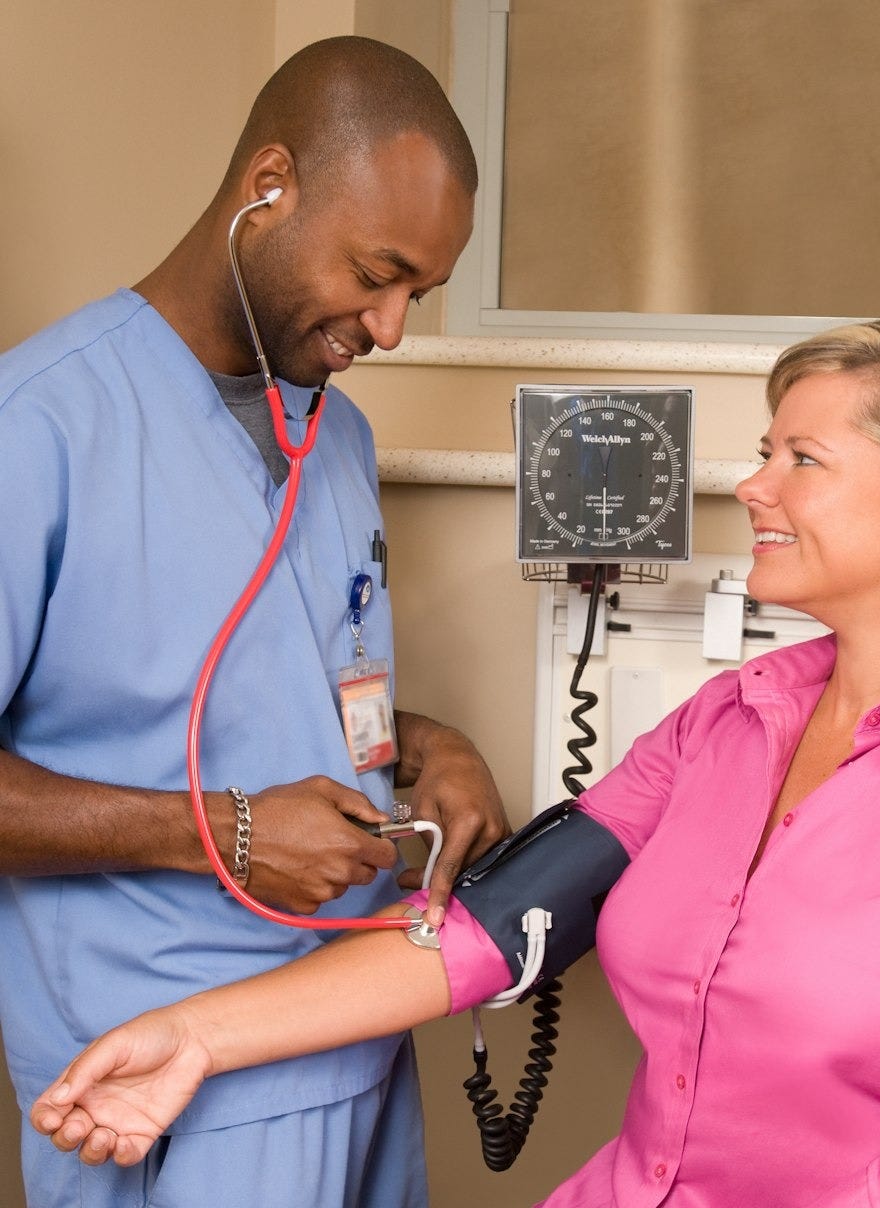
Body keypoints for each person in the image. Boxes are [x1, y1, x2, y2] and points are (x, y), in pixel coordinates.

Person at [29, 320, 880, 1207]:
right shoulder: (725, 721)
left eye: (802, 458)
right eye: (766, 448)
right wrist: (192, 1036)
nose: (752, 484)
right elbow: (487, 928)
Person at [1, 35, 512, 1208]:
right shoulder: (37, 429)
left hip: (360, 1037)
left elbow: (287, 686)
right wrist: (221, 831)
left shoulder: (334, 436)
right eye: (376, 273)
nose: (390, 330)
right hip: (165, 1088)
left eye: (417, 296)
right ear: (268, 186)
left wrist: (434, 748)